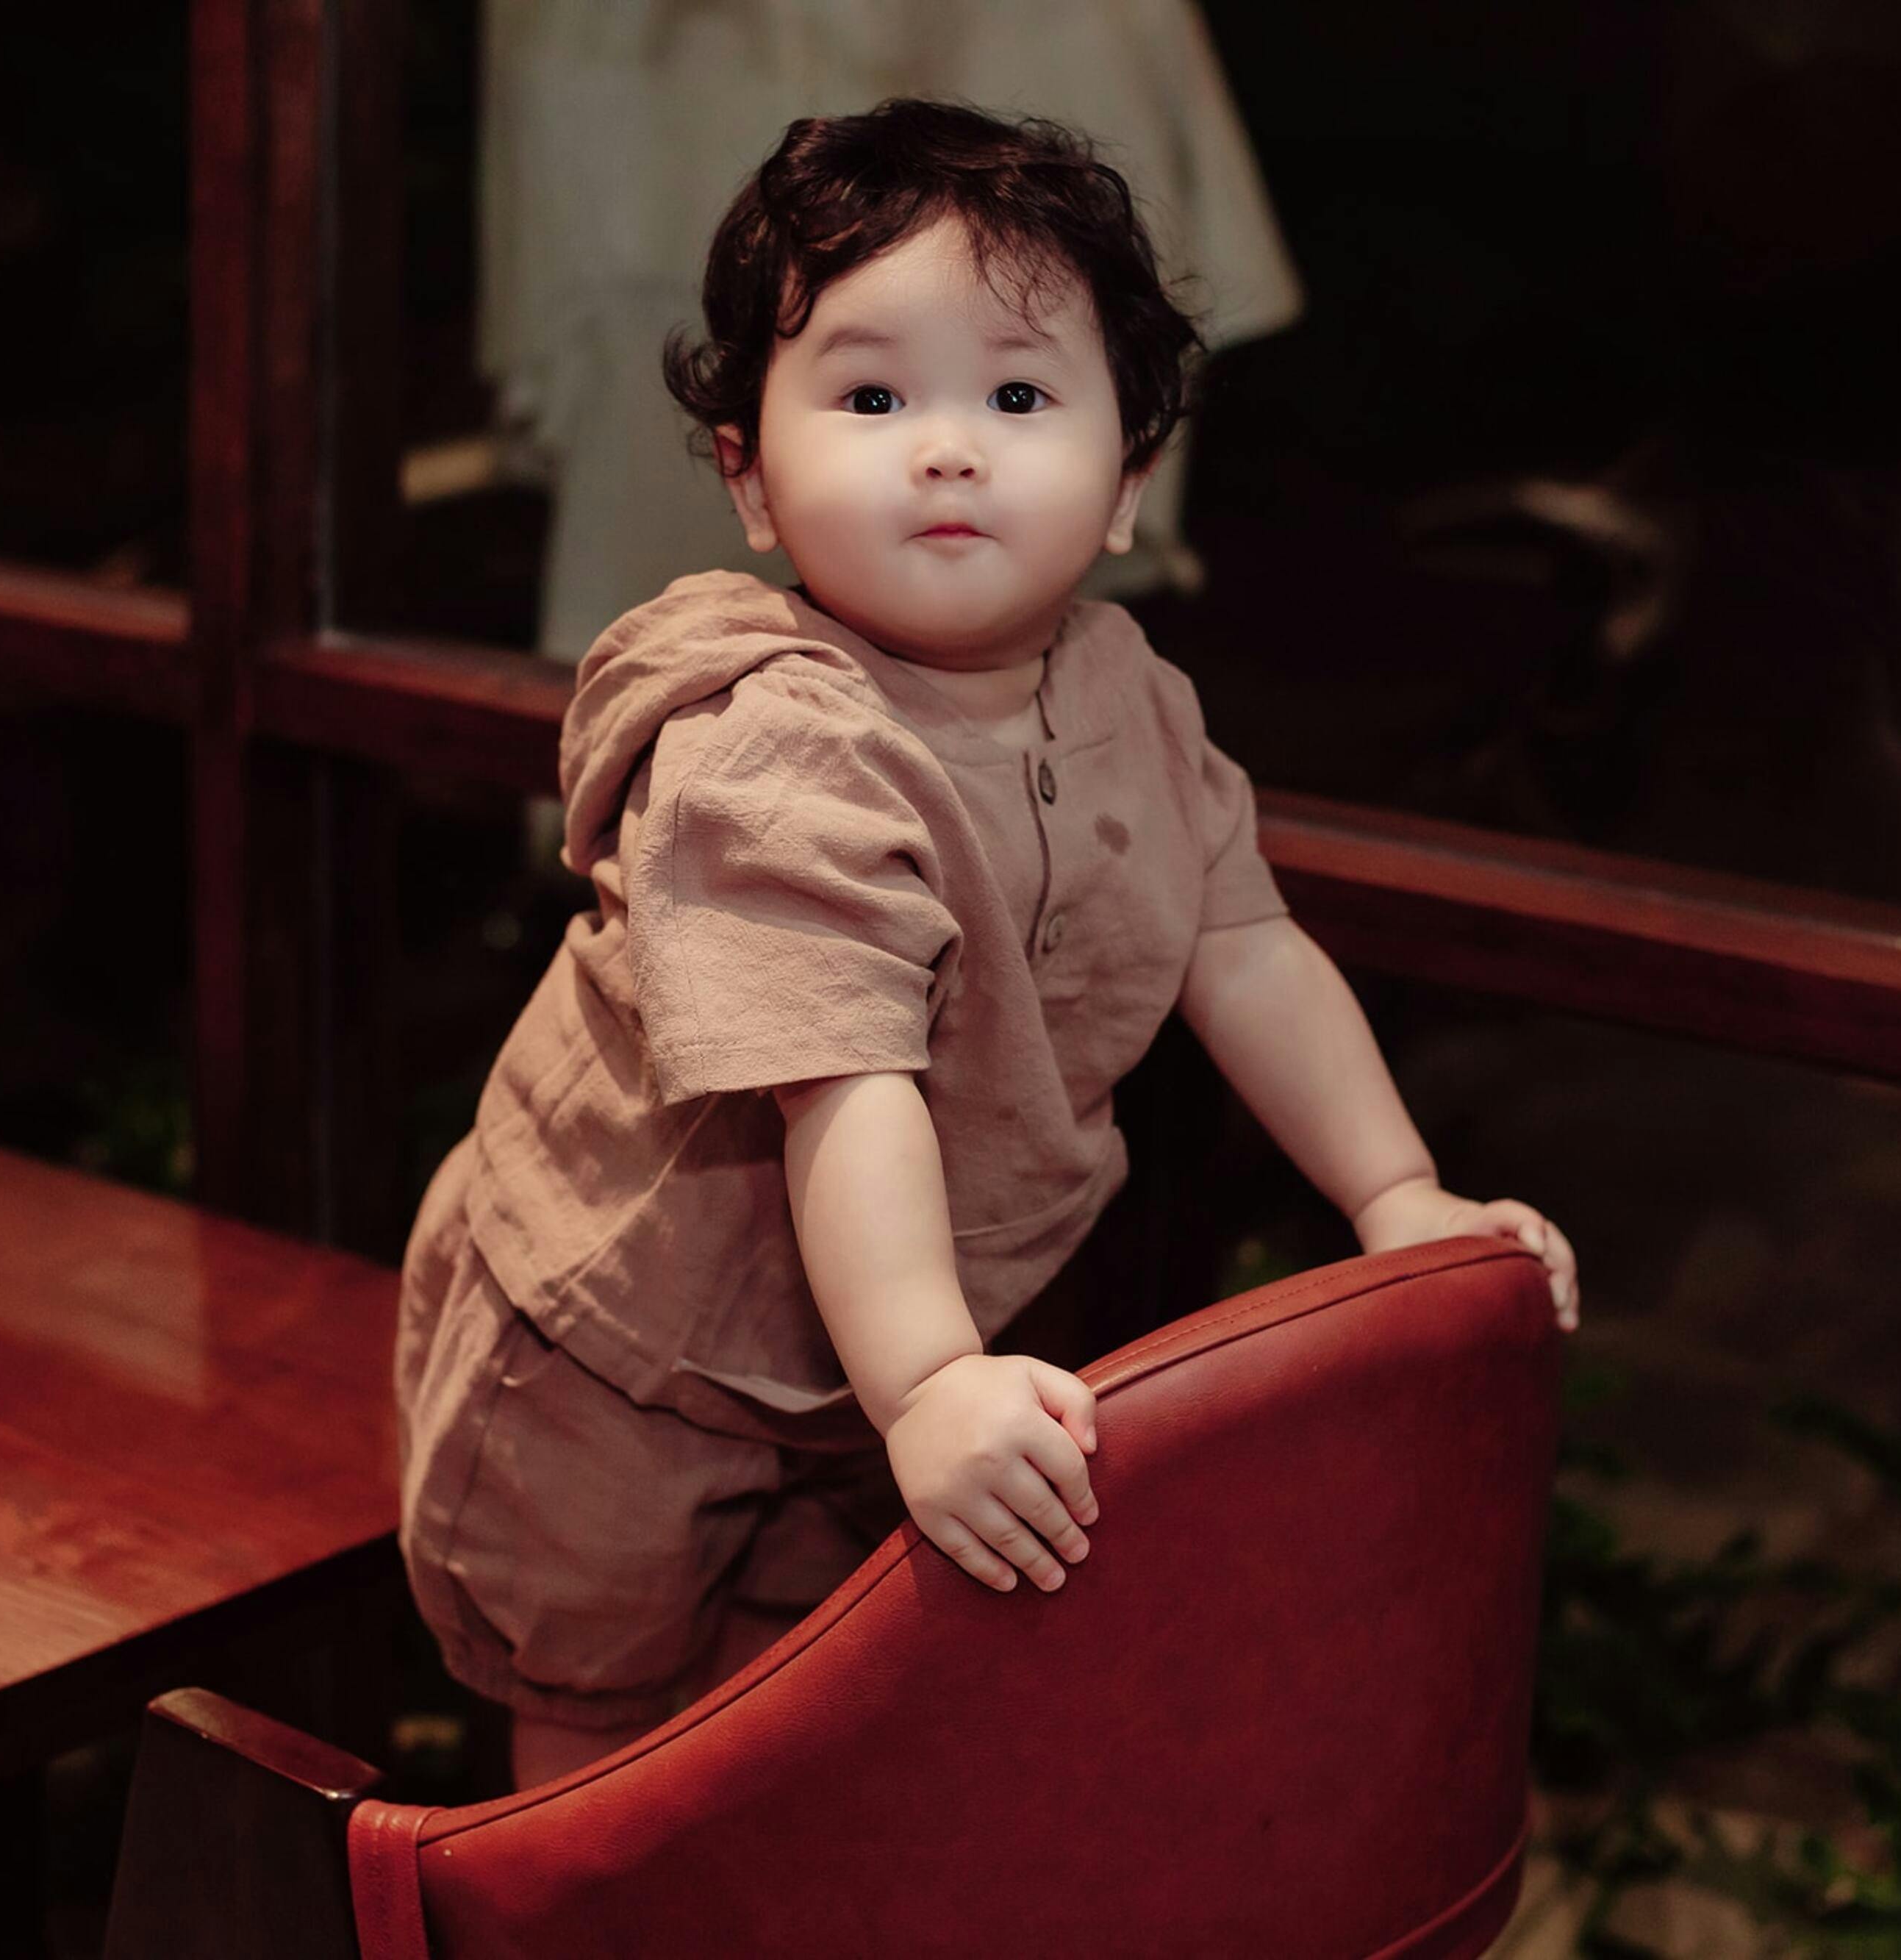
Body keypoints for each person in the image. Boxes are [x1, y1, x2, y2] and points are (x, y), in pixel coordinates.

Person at [395, 98, 1580, 1789]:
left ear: (1124, 486)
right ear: (745, 475)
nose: (946, 445)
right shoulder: (770, 741)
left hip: (853, 1348)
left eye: (1018, 395)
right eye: (872, 396)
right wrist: (936, 1376)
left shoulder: (1130, 698)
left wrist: (1396, 1198)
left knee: (786, 1710)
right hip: (625, 1339)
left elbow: (1239, 945)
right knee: (595, 1727)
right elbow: (843, 1087)